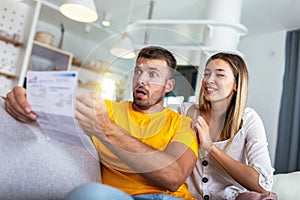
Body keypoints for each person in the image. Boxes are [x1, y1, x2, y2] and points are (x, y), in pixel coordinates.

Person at [5, 46, 199, 200]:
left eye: (153, 74)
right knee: (88, 194)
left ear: (169, 85)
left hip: (172, 198)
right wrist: (23, 99)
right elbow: (53, 110)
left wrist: (106, 130)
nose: (141, 80)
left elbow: (173, 176)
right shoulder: (104, 110)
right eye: (138, 71)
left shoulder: (182, 124)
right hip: (117, 197)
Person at [179, 52, 277, 200]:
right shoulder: (186, 111)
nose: (209, 80)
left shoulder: (248, 120)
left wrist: (210, 147)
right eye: (206, 74)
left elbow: (263, 185)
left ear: (236, 85)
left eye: (220, 75)